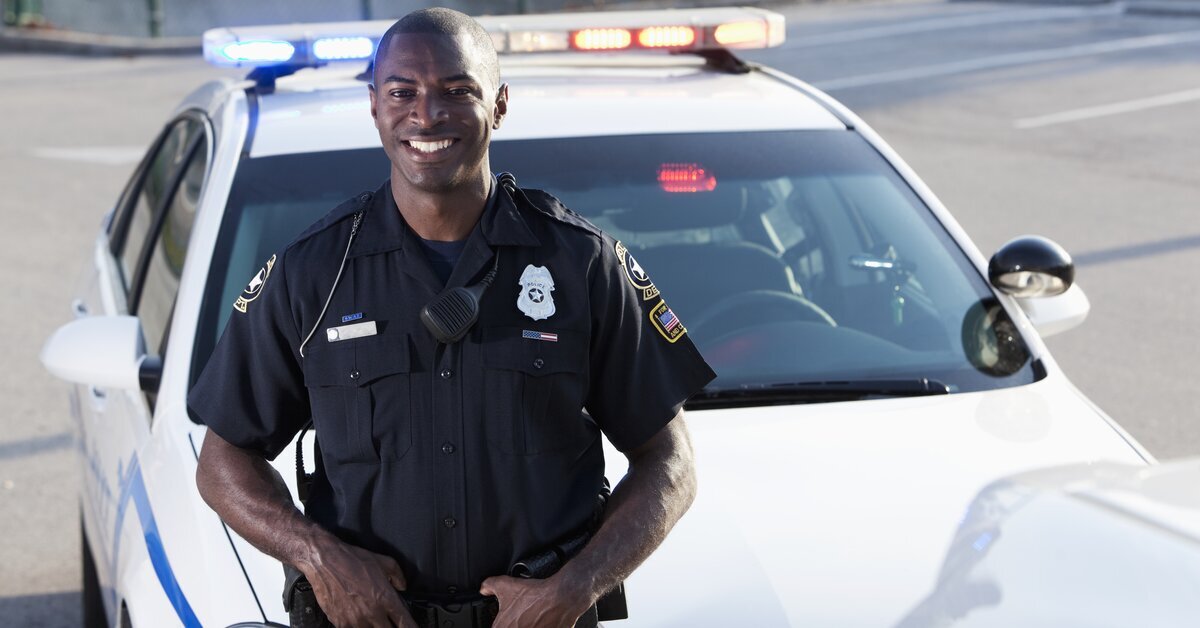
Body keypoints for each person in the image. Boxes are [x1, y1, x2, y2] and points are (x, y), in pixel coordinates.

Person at [190, 7, 716, 628]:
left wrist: (576, 588)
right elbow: (223, 464)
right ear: (375, 106)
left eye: (456, 90)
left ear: (498, 104)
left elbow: (669, 460)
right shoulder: (313, 273)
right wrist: (319, 557)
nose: (427, 114)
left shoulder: (579, 264)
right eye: (402, 92)